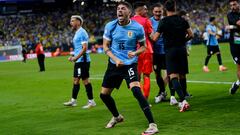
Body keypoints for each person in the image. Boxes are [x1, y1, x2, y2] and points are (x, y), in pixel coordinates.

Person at [100, 2, 159, 134]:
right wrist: (116, 59)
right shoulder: (110, 26)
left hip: (130, 64)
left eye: (123, 9)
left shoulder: (137, 28)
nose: (119, 11)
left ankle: (152, 125)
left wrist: (135, 53)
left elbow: (144, 46)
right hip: (114, 64)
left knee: (137, 91)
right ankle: (117, 117)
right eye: (118, 9)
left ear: (129, 13)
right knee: (104, 95)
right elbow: (105, 47)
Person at [152, 0, 193, 112]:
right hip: (181, 49)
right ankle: (183, 98)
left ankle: (183, 101)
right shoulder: (182, 20)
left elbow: (155, 38)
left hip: (170, 51)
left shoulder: (163, 21)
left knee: (173, 76)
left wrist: (149, 35)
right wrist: (182, 41)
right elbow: (191, 34)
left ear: (165, 9)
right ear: (175, 7)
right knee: (183, 75)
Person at [63, 15, 96, 109]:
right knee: (76, 80)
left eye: (72, 21)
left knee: (85, 81)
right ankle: (73, 100)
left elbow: (85, 48)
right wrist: (74, 57)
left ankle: (91, 101)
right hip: (79, 60)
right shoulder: (77, 32)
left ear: (78, 22)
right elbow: (79, 48)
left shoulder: (82, 32)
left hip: (83, 61)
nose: (71, 22)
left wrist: (75, 58)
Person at [149, 3, 171, 104]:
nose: (158, 13)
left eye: (159, 11)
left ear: (163, 11)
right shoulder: (149, 22)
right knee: (157, 74)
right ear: (153, 12)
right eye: (156, 11)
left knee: (169, 74)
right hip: (155, 52)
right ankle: (162, 92)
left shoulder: (166, 20)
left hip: (166, 50)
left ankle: (162, 93)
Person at [131, 2, 153, 100]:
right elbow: (152, 36)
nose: (147, 11)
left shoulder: (129, 21)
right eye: (145, 9)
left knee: (137, 76)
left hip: (134, 51)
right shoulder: (146, 20)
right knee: (146, 75)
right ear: (139, 10)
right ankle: (145, 99)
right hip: (146, 50)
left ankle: (140, 98)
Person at [227, 0, 240, 94]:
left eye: (234, 4)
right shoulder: (230, 15)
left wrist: (232, 27)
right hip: (236, 44)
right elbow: (239, 23)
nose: (232, 7)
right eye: (231, 5)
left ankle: (237, 84)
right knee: (239, 66)